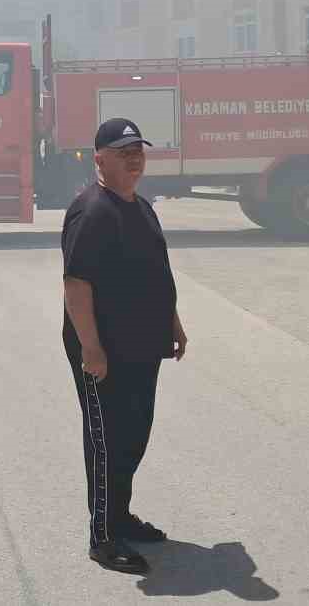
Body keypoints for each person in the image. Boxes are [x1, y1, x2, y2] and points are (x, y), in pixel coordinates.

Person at [62, 117, 187, 576]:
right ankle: (103, 537)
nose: (134, 158)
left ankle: (121, 516)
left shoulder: (141, 207)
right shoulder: (92, 211)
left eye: (138, 150)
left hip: (143, 344)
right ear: (99, 159)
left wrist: (173, 322)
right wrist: (91, 348)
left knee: (134, 433)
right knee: (106, 440)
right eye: (123, 151)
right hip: (105, 351)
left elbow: (158, 272)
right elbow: (77, 285)